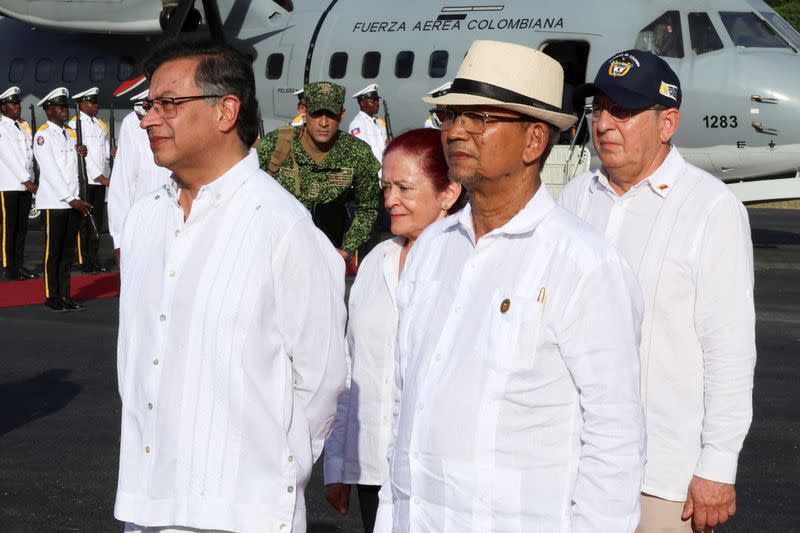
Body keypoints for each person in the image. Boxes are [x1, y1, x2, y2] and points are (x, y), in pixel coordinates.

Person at [373, 39, 646, 533]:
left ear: (533, 141)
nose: (457, 131)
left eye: (479, 118)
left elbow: (615, 438)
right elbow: (404, 401)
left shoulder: (583, 263)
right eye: (451, 117)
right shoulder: (433, 248)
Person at [114, 39, 347, 533]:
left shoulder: (282, 226)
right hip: (146, 503)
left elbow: (323, 378)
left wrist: (276, 467)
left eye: (168, 104)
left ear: (226, 111)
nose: (148, 119)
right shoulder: (145, 218)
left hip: (244, 510)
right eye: (147, 105)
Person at [559, 49, 757, 533]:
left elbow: (728, 351)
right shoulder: (574, 198)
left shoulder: (711, 209)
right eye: (599, 108)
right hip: (571, 466)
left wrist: (717, 466)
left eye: (623, 111)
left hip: (661, 477)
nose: (604, 123)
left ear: (667, 123)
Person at [324, 128, 464, 533]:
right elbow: (352, 368)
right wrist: (339, 461)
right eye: (386, 187)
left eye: (404, 187)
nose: (390, 201)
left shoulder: (470, 264)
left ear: (448, 192)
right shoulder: (376, 262)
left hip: (441, 475)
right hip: (372, 469)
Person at [257, 81, 381, 264]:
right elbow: (248, 196)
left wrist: (347, 250)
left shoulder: (357, 153)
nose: (323, 123)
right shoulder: (277, 144)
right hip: (275, 256)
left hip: (326, 259)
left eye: (331, 115)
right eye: (316, 114)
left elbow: (368, 208)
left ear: (341, 114)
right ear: (304, 112)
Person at [33, 87, 90, 312]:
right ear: (48, 110)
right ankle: (51, 296)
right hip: (55, 203)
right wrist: (70, 198)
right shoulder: (43, 136)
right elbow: (50, 171)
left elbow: (71, 169)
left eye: (65, 106)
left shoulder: (70, 133)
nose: (64, 110)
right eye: (59, 106)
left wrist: (81, 153)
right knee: (53, 253)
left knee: (67, 253)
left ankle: (65, 295)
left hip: (72, 201)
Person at [107, 87, 172, 267]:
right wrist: (119, 240)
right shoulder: (132, 124)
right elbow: (122, 182)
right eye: (145, 109)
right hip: (146, 222)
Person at [69, 87, 112, 273]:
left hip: (100, 179)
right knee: (85, 222)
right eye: (92, 102)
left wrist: (111, 160)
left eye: (96, 102)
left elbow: (103, 151)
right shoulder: (75, 124)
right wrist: (99, 176)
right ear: (81, 104)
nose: (96, 106)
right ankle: (84, 260)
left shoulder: (99, 124)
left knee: (97, 222)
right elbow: (83, 156)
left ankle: (94, 258)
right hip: (87, 179)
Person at [0, 86, 37, 280]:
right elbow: (9, 157)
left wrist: (31, 178)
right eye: (13, 104)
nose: (17, 107)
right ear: (3, 107)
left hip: (25, 184)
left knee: (22, 228)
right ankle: (9, 267)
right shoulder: (1, 127)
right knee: (9, 228)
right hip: (9, 185)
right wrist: (26, 180)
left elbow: (29, 154)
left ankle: (19, 265)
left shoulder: (23, 126)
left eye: (18, 103)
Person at [348, 84, 388, 170]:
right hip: (371, 175)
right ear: (362, 103)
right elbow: (362, 154)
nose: (377, 103)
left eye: (377, 100)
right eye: (373, 100)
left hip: (384, 173)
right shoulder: (357, 124)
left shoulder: (379, 123)